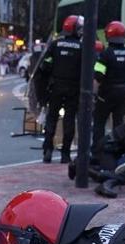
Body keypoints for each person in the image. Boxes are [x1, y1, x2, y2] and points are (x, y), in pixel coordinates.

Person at [34, 15, 84, 164]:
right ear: (75, 29)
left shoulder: (55, 44)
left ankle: (48, 150)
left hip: (56, 87)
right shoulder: (82, 47)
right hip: (73, 89)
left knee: (52, 118)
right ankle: (65, 154)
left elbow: (45, 66)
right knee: (69, 120)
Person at [92, 21, 125, 160]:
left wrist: (95, 95)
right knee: (119, 125)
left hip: (106, 94)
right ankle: (117, 152)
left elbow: (97, 78)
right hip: (123, 93)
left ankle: (97, 152)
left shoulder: (105, 55)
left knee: (99, 123)